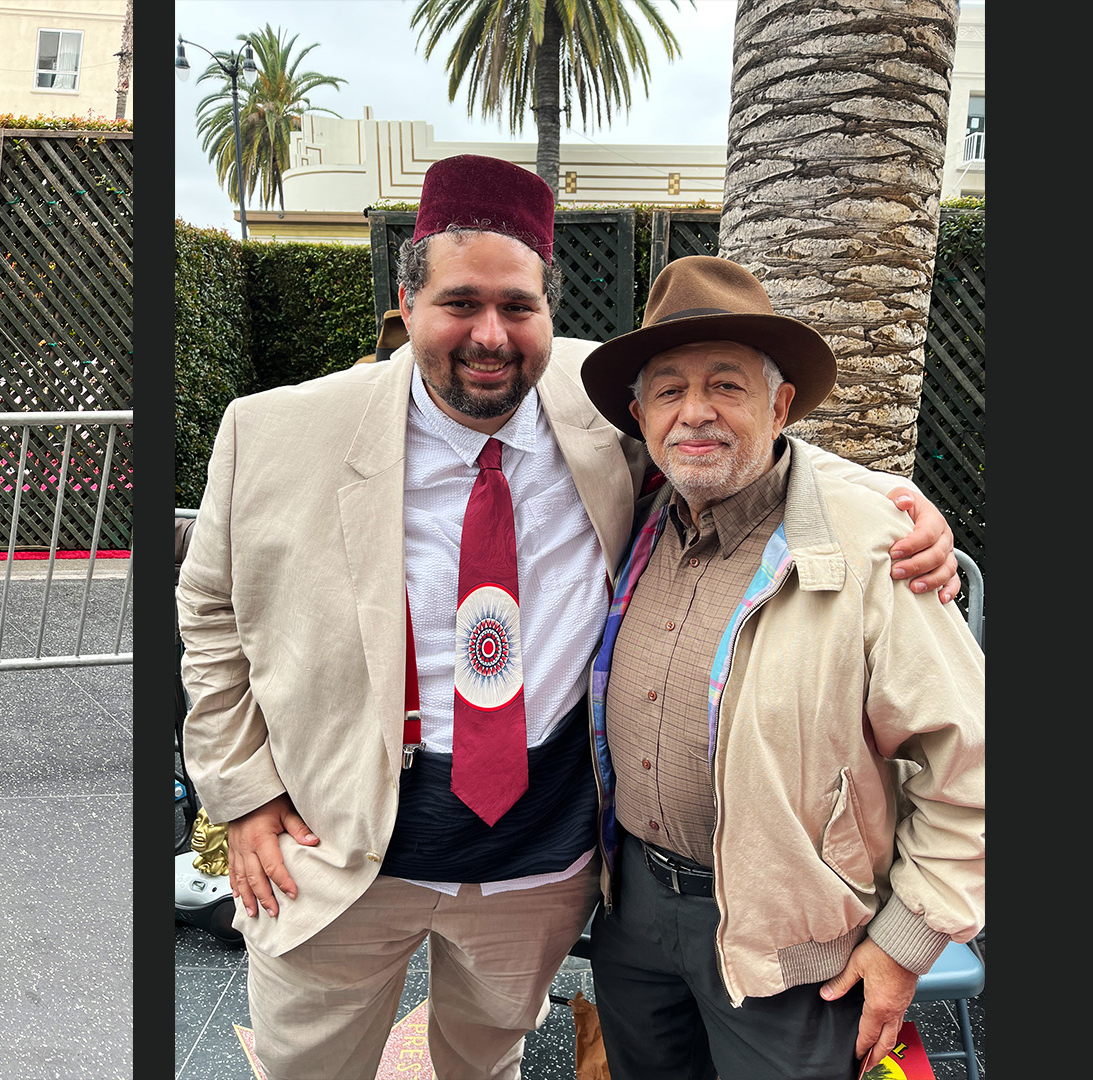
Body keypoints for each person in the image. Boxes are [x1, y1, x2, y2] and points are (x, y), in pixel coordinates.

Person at [175, 154, 959, 1080]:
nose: (491, 335)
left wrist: (895, 504)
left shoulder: (604, 407)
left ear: (551, 307)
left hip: (539, 858)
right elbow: (210, 613)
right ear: (406, 301)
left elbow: (744, 435)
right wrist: (244, 792)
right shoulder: (273, 432)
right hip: (339, 848)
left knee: (488, 1062)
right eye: (460, 302)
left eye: (519, 306)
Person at [575, 255, 984, 1080]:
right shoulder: (631, 519)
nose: (696, 413)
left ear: (780, 404)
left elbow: (970, 764)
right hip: (633, 915)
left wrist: (904, 947)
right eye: (669, 391)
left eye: (727, 386)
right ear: (639, 415)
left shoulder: (873, 544)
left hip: (795, 948)